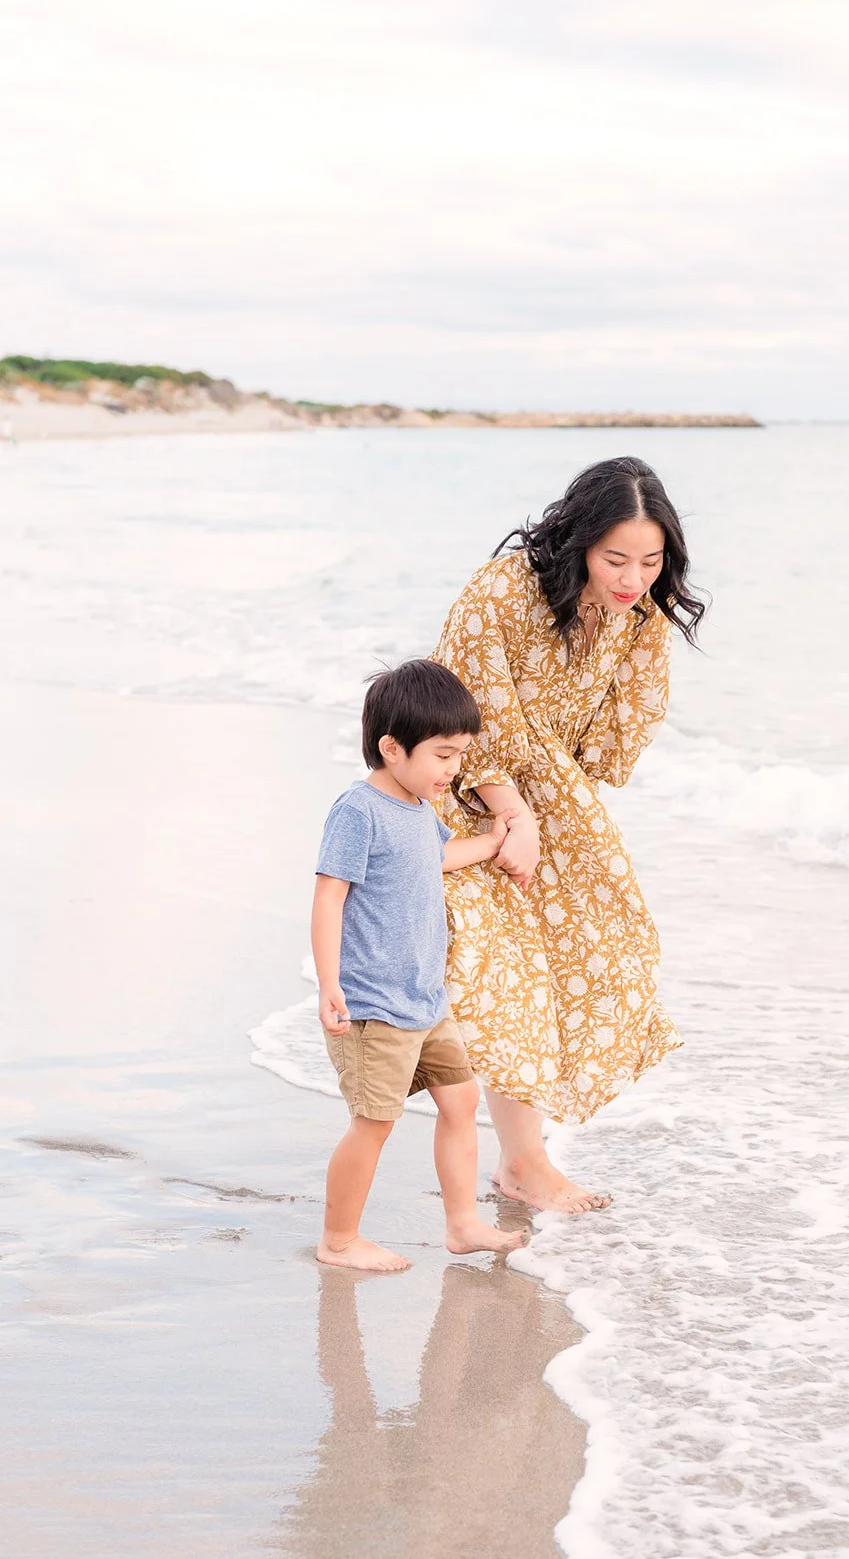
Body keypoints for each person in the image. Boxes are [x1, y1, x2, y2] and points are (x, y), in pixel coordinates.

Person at [433, 456, 706, 1213]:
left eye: (651, 561)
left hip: (554, 801)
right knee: (505, 977)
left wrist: (549, 807)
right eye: (616, 558)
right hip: (463, 789)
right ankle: (517, 1162)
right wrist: (512, 816)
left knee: (591, 956)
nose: (632, 577)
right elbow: (467, 705)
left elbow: (616, 735)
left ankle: (522, 1159)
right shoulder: (503, 590)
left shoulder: (638, 610)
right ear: (580, 539)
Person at [312, 658, 528, 1271]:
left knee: (461, 1103)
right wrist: (330, 983)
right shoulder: (358, 811)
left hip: (427, 1000)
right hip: (375, 1003)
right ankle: (339, 1239)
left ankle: (461, 1225)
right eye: (442, 754)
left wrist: (488, 843)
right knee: (374, 1123)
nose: (454, 769)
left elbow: (431, 859)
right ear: (391, 748)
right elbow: (330, 895)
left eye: (460, 754)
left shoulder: (417, 810)